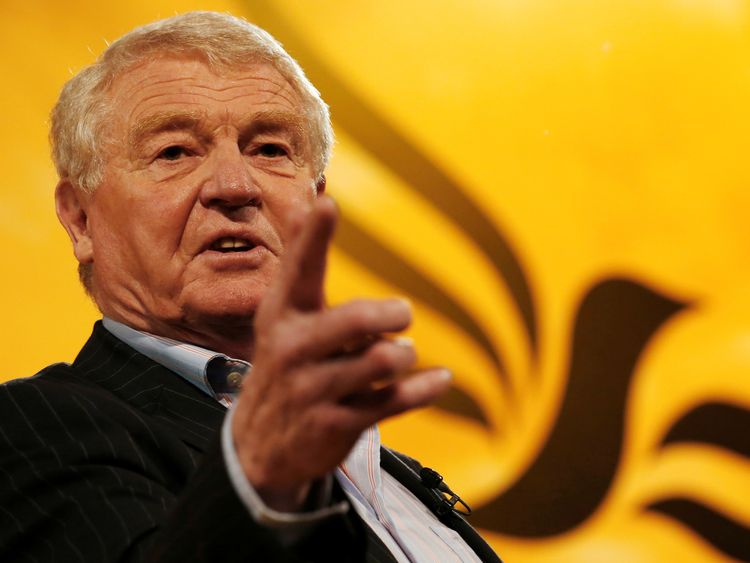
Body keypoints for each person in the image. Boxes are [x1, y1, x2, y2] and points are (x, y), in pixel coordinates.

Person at [0, 11, 501, 562]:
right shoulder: (33, 429)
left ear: (317, 200)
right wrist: (263, 488)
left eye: (269, 150)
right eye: (174, 152)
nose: (235, 186)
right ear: (80, 220)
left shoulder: (391, 469)